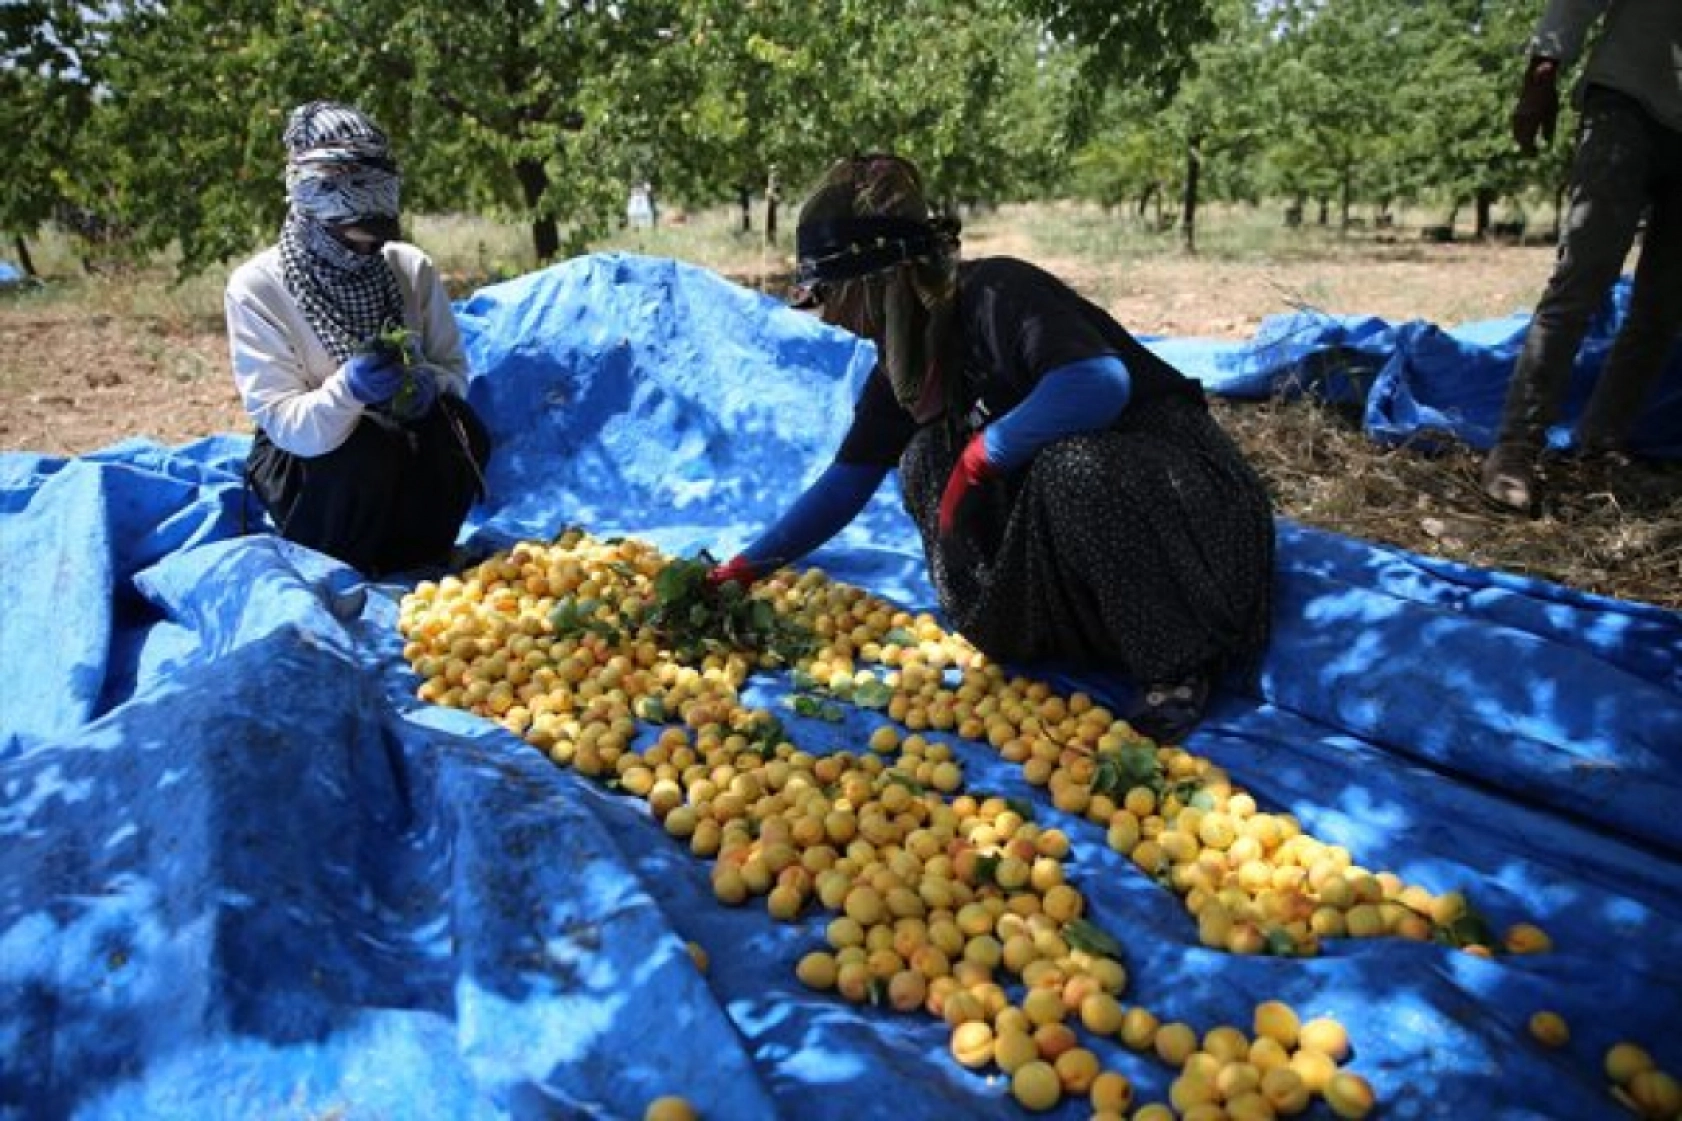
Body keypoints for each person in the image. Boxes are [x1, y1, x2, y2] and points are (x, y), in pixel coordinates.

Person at [710, 154, 1275, 742]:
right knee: (925, 459)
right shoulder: (903, 363)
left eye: (830, 294)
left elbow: (1099, 384)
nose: (828, 317)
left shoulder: (997, 295)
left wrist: (983, 456)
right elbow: (846, 481)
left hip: (1182, 513)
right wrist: (745, 567)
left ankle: (1176, 667)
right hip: (1089, 536)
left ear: (877, 280)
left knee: (1068, 468)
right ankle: (1047, 636)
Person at [225, 100, 492, 576]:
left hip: (400, 449)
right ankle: (343, 560)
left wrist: (431, 383)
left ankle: (419, 555)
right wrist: (347, 392)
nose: (366, 249)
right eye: (351, 237)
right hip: (315, 463)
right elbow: (286, 422)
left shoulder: (408, 269)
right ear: (310, 213)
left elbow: (455, 373)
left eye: (377, 235)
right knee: (363, 448)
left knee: (459, 429)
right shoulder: (257, 289)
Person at [1480, 0, 1682, 511]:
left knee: (1663, 306)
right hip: (1628, 101)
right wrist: (1540, 75)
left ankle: (1602, 442)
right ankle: (1515, 447)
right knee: (1582, 280)